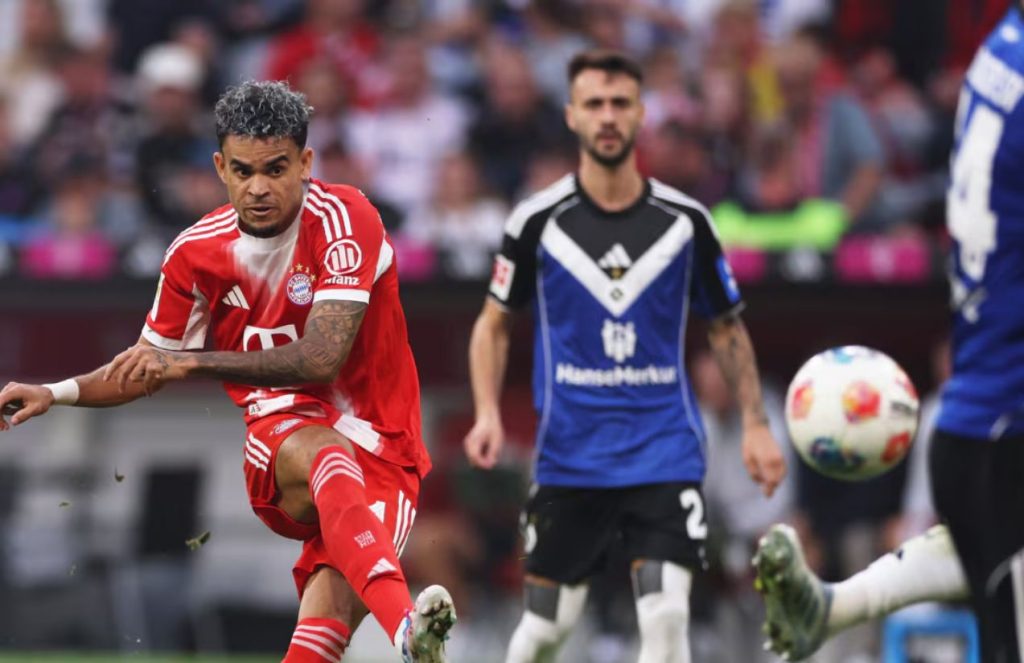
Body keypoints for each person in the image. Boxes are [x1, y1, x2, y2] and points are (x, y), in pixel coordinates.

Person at [0, 80, 455, 663]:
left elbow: (322, 357)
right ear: (220, 166)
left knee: (329, 616)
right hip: (283, 436)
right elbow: (144, 367)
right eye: (242, 171)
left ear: (306, 162)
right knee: (324, 453)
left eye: (275, 168)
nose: (258, 187)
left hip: (388, 446)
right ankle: (408, 635)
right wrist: (55, 391)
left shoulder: (348, 219)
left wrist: (189, 360)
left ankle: (396, 631)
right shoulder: (195, 253)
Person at [463, 49, 787, 663]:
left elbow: (726, 327)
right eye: (594, 104)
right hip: (569, 455)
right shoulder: (536, 221)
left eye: (619, 103)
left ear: (640, 114)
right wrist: (485, 411)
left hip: (663, 451)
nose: (607, 116)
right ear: (571, 116)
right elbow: (493, 324)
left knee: (666, 622)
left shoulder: (686, 222)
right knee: (545, 633)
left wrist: (756, 424)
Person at [754, 4, 1024, 661]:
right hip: (1010, 436)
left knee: (988, 550)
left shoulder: (1002, 49)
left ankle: (841, 602)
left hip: (979, 429)